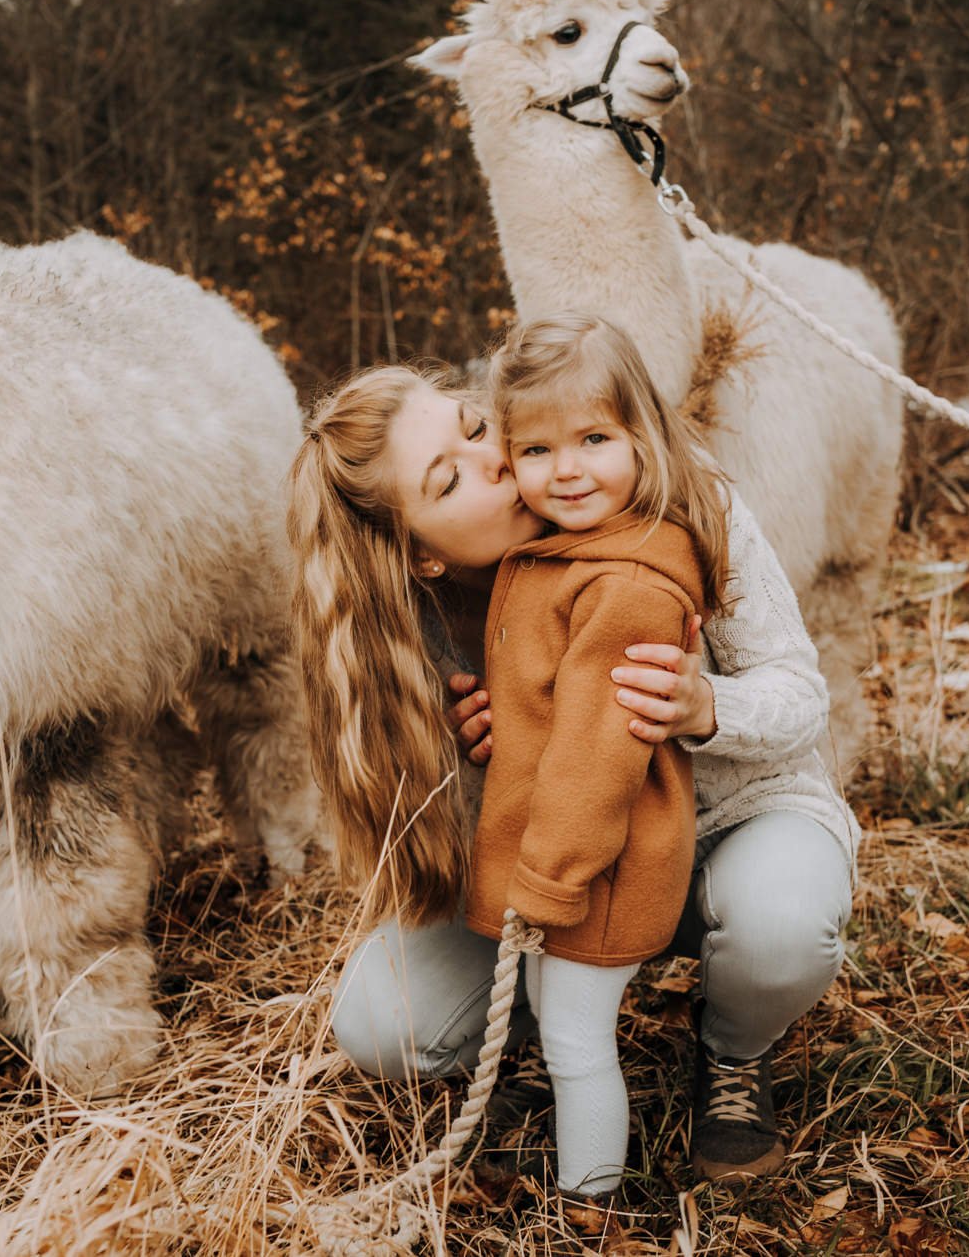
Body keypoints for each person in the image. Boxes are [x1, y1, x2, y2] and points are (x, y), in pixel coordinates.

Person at [287, 330, 858, 1186]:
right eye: (447, 478)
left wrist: (708, 707)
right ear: (420, 551)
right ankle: (534, 1042)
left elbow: (802, 694)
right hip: (558, 873)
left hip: (730, 822)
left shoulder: (671, 502)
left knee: (782, 924)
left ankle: (733, 1050)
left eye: (477, 427)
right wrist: (469, 764)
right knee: (381, 1022)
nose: (501, 461)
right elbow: (440, 832)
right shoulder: (416, 625)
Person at [461, 314, 728, 1196]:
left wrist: (547, 879)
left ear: (642, 437)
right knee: (560, 1024)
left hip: (592, 869)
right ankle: (583, 1182)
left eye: (593, 439)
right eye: (535, 449)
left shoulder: (626, 582)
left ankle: (591, 1203)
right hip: (562, 862)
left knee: (575, 1042)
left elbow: (596, 757)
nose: (566, 469)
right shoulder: (566, 553)